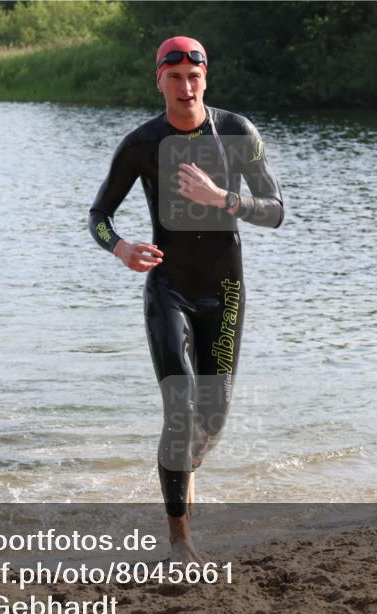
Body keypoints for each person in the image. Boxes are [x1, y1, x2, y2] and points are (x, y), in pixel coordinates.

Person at [88, 36, 284, 562]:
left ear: (205, 78)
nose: (185, 86)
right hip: (168, 289)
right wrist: (121, 248)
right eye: (174, 77)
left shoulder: (237, 133)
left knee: (210, 421)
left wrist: (223, 199)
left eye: (193, 77)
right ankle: (179, 539)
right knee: (180, 408)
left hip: (225, 291)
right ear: (160, 81)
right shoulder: (142, 143)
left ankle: (185, 469)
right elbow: (99, 216)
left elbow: (276, 210)